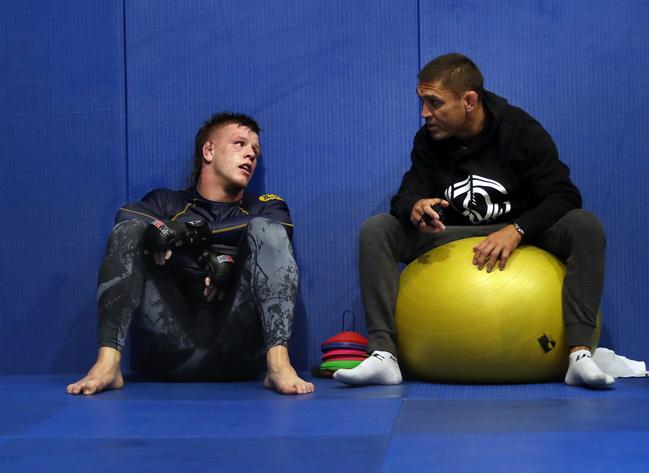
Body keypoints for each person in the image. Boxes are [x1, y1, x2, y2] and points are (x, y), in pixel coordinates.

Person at [334, 53, 613, 389]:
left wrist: (517, 230)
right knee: (378, 229)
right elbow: (404, 196)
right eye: (422, 102)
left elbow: (564, 195)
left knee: (585, 225)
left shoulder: (520, 130)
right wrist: (415, 206)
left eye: (434, 103)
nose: (425, 113)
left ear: (468, 100)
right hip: (452, 235)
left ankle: (579, 354)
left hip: (524, 233)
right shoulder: (429, 140)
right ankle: (383, 355)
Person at [67, 112, 314, 395]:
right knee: (130, 231)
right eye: (239, 144)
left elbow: (281, 226)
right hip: (170, 349)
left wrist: (201, 244)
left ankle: (279, 365)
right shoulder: (166, 202)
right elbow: (126, 217)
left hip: (239, 351)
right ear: (208, 150)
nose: (250, 155)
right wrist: (206, 256)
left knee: (267, 231)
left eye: (255, 151)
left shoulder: (266, 206)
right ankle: (107, 364)